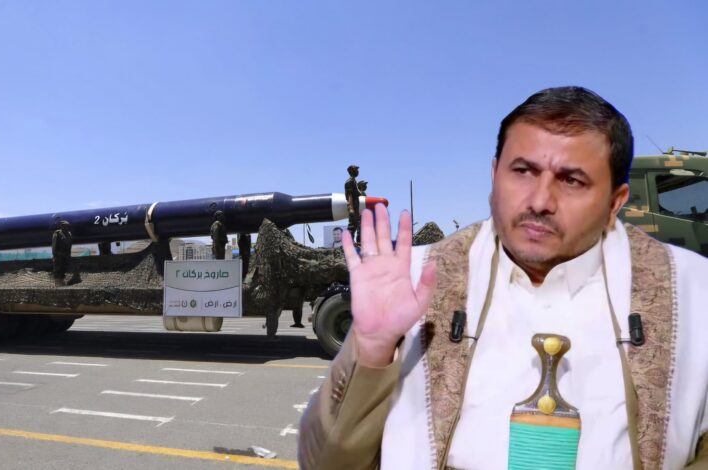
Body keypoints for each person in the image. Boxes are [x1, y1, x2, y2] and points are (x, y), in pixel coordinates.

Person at [299, 87, 708, 469]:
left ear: (615, 202)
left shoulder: (693, 293)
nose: (540, 201)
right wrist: (372, 352)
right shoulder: (413, 281)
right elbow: (324, 462)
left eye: (571, 180)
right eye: (523, 171)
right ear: (494, 175)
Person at [345, 165, 361, 244]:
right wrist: (351, 208)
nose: (358, 171)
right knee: (352, 224)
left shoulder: (354, 181)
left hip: (356, 204)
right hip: (353, 205)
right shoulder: (350, 182)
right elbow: (349, 196)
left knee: (355, 224)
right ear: (351, 171)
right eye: (356, 170)